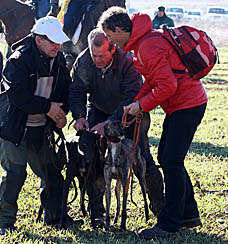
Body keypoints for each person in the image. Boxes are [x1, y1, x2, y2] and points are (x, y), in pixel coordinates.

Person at [98, 7, 207, 240]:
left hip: (187, 105)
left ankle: (169, 225)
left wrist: (142, 106)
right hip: (181, 105)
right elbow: (153, 80)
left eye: (108, 35)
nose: (108, 41)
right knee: (168, 157)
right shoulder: (144, 42)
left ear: (119, 29)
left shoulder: (147, 45)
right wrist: (137, 101)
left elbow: (169, 87)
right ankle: (188, 214)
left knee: (171, 160)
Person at [0, 16, 81, 234]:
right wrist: (48, 108)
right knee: (14, 174)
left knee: (51, 172)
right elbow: (17, 96)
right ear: (38, 39)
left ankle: (56, 217)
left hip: (41, 128)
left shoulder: (59, 59)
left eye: (59, 41)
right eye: (52, 41)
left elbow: (65, 91)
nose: (57, 46)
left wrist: (62, 113)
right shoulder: (18, 60)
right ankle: (4, 223)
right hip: (15, 127)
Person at [68, 28, 165, 224]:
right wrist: (79, 116)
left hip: (129, 111)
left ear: (113, 48)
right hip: (98, 108)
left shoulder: (128, 61)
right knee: (92, 158)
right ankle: (97, 211)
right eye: (94, 55)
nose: (97, 60)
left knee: (142, 158)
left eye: (102, 56)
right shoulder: (84, 60)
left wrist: (111, 123)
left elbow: (134, 95)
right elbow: (76, 90)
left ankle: (160, 208)